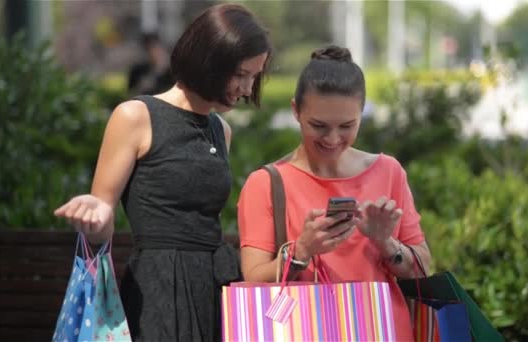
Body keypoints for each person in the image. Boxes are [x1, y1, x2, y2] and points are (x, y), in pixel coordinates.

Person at [54, 4, 271, 341]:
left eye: (254, 76)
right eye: (241, 74)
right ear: (209, 61)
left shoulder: (220, 129)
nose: (247, 87)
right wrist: (95, 218)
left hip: (215, 284)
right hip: (159, 288)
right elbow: (102, 214)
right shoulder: (135, 116)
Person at [237, 45, 431, 341]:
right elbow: (253, 277)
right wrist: (302, 251)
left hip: (384, 331)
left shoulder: (388, 171)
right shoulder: (266, 183)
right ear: (296, 111)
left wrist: (384, 241)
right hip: (303, 330)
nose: (332, 138)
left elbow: (421, 270)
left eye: (346, 126)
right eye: (319, 126)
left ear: (361, 115)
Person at [127, 32, 173, 96]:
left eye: (154, 47)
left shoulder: (169, 71)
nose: (152, 52)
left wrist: (160, 70)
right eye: (148, 48)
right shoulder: (138, 69)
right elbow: (130, 91)